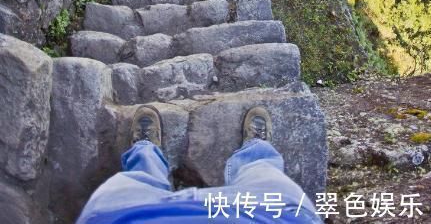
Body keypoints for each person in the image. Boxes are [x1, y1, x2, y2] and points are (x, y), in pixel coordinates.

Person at [77, 105, 322, 223]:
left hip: (125, 215)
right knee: (266, 174)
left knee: (131, 181)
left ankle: (145, 150)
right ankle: (256, 150)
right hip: (270, 216)